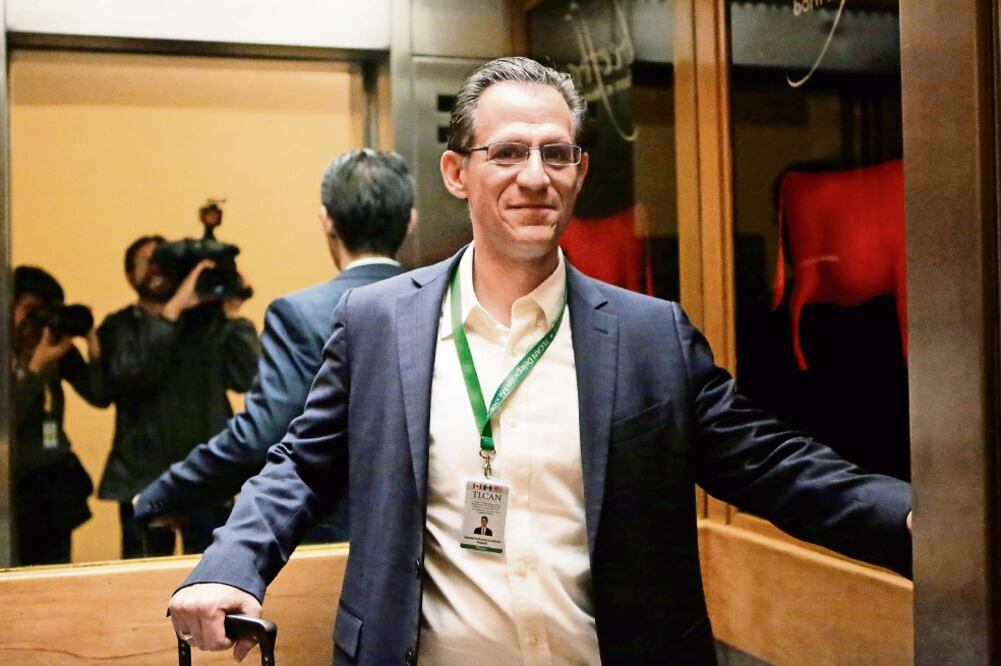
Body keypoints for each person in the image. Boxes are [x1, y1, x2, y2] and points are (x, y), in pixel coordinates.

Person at [167, 58, 912, 665]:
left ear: (579, 171)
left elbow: (775, 466)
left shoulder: (649, 335)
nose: (534, 175)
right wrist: (232, 566)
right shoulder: (377, 322)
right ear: (458, 173)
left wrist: (922, 523)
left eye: (555, 153)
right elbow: (302, 463)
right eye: (508, 152)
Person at [133, 149, 415, 543]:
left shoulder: (300, 313)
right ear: (411, 220)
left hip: (333, 543)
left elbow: (258, 437)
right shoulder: (446, 303)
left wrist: (160, 497)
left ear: (326, 221)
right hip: (427, 540)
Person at [95, 235, 260, 559]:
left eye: (164, 261)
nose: (158, 269)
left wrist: (232, 314)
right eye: (148, 262)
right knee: (140, 586)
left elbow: (245, 377)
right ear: (130, 274)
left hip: (206, 472)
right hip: (142, 475)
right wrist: (171, 312)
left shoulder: (205, 322)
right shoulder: (119, 328)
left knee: (214, 576)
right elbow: (132, 373)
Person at [11, 266, 104, 565]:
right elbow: (5, 419)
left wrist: (92, 343)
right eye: (31, 310)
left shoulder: (55, 347)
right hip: (12, 485)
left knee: (53, 566)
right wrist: (35, 370)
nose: (37, 321)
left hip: (52, 484)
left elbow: (99, 395)